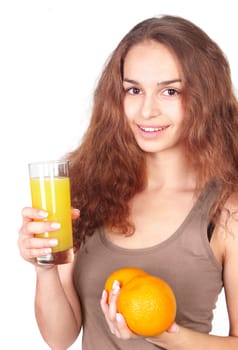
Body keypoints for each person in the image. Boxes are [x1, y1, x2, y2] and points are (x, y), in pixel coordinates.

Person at [18, 14, 238, 349]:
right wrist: (44, 268)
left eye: (170, 91)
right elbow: (59, 337)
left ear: (205, 98)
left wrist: (161, 333)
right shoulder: (87, 190)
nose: (146, 110)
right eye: (133, 89)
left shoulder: (226, 210)